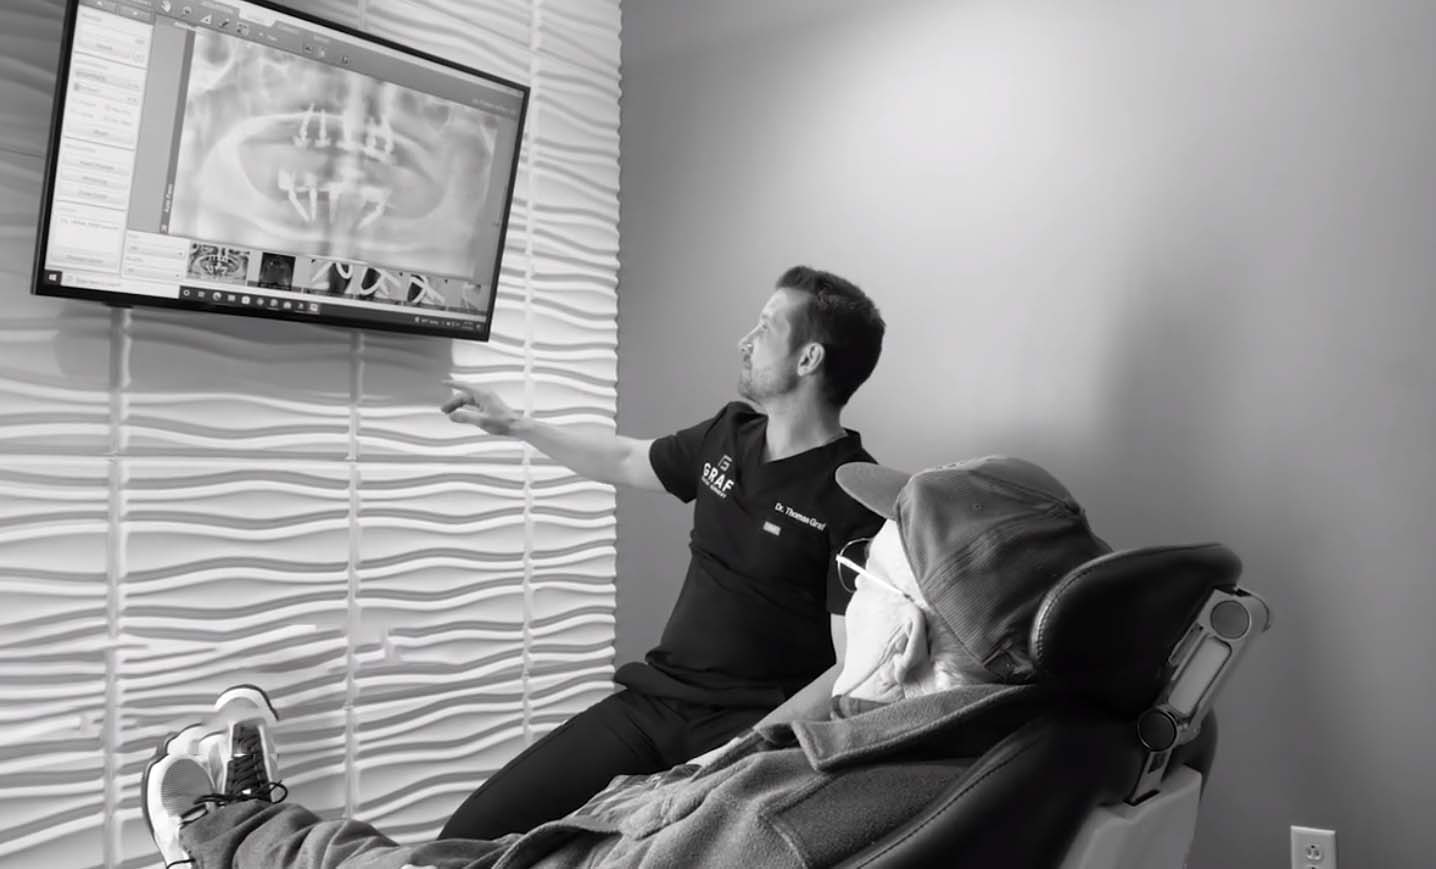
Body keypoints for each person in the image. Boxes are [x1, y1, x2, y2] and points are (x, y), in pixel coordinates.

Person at [143, 454, 1112, 869]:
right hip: (660, 771)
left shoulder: (772, 825)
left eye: (864, 571)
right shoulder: (1052, 736)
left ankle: (211, 825)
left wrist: (253, 833)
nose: (847, 586)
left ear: (901, 634)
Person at [435, 265, 889, 838]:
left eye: (766, 327)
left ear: (809, 359)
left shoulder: (854, 495)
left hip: (749, 730)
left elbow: (851, 664)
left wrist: (741, 752)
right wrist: (516, 425)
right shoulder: (729, 434)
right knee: (467, 836)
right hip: (655, 704)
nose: (745, 341)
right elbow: (628, 458)